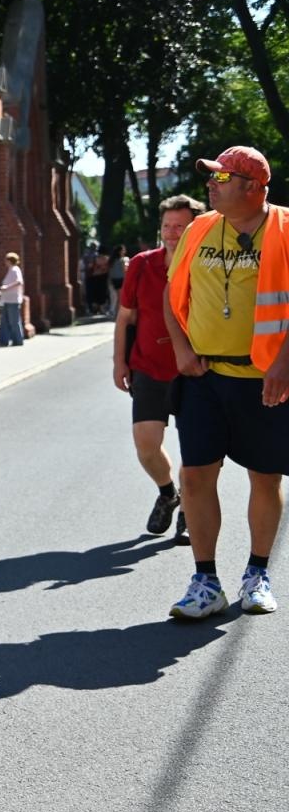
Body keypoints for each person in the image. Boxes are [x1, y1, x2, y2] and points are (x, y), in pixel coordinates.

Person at [162, 145, 288, 619]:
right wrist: (180, 346)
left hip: (265, 379)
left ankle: (257, 573)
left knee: (264, 474)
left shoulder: (285, 228)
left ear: (254, 187)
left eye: (222, 177)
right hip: (204, 375)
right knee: (194, 475)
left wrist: (284, 363)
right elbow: (172, 292)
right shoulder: (199, 229)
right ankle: (205, 581)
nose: (211, 184)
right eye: (211, 176)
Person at [115, 195, 203, 543]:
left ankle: (190, 511)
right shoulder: (141, 264)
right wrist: (119, 361)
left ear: (195, 228)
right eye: (167, 226)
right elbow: (125, 318)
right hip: (148, 367)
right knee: (146, 445)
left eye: (179, 226)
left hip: (196, 370)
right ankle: (169, 493)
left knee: (196, 450)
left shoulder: (206, 267)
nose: (171, 233)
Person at [0, 252, 25, 347]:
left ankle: (18, 340)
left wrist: (6, 287)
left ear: (10, 260)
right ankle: (4, 341)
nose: (5, 261)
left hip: (13, 300)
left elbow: (19, 281)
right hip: (7, 300)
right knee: (5, 322)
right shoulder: (11, 270)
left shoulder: (15, 269)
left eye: (6, 260)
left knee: (14, 321)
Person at [108, 244, 127, 318]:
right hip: (120, 279)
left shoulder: (111, 260)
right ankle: (117, 314)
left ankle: (116, 313)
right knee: (120, 298)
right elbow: (124, 271)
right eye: (123, 250)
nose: (125, 251)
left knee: (116, 297)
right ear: (120, 251)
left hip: (113, 280)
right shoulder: (122, 260)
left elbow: (109, 271)